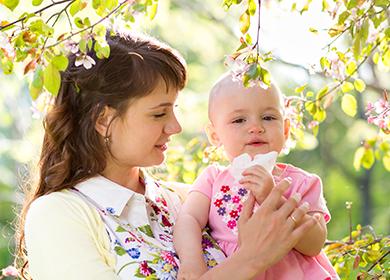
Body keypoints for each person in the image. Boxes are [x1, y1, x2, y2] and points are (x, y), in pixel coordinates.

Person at [16, 31, 318, 280]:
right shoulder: (58, 215)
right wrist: (250, 260)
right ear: (103, 120)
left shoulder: (184, 200)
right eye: (159, 113)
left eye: (175, 110)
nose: (175, 127)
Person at [173, 72, 339, 280]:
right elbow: (188, 219)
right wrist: (191, 261)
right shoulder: (213, 178)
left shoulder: (302, 182)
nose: (256, 128)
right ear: (215, 135)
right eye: (239, 120)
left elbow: (315, 244)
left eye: (268, 118)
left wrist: (274, 198)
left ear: (286, 129)